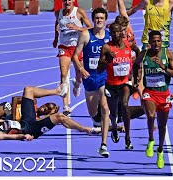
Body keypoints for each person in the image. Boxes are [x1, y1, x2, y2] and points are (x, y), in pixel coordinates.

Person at [0, 85, 101, 140]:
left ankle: (57, 91)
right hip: (30, 129)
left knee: (28, 90)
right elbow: (10, 137)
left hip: (24, 120)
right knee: (60, 117)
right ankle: (86, 129)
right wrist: (24, 136)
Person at [134, 30, 173, 168]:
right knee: (151, 115)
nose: (156, 44)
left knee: (162, 125)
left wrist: (163, 67)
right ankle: (151, 140)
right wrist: (136, 79)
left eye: (159, 41)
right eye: (153, 41)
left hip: (163, 94)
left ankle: (160, 150)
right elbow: (135, 64)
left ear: (162, 41)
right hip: (150, 92)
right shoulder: (144, 54)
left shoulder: (168, 54)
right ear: (149, 42)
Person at [71, 7, 111, 157]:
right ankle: (99, 121)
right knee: (93, 112)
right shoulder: (86, 35)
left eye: (102, 18)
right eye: (97, 18)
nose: (99, 20)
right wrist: (81, 70)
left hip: (103, 77)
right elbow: (75, 56)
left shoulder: (109, 36)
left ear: (105, 20)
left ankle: (103, 144)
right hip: (89, 78)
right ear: (93, 19)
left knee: (105, 108)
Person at [97, 22, 140, 150]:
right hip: (111, 84)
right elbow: (99, 69)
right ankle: (114, 127)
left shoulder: (129, 44)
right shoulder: (106, 48)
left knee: (125, 105)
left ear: (122, 32)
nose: (116, 34)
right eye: (113, 32)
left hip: (125, 83)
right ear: (110, 34)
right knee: (113, 112)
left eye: (118, 32)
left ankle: (128, 137)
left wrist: (136, 71)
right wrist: (108, 60)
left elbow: (138, 52)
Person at [53, 0, 93, 115]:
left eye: (69, 0)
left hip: (77, 47)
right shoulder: (58, 13)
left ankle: (77, 83)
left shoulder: (79, 12)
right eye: (65, 0)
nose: (67, 2)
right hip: (64, 47)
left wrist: (78, 28)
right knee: (63, 75)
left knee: (79, 75)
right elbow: (57, 24)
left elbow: (90, 27)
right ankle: (66, 106)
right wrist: (56, 38)